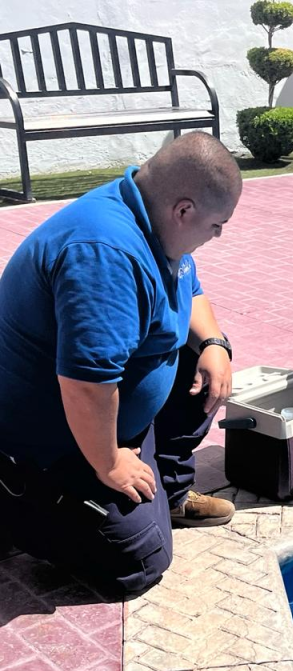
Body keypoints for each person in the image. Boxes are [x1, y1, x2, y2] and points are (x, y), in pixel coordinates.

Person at [0, 131, 242, 596]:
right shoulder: (105, 254)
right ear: (184, 210)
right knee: (141, 560)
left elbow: (189, 288)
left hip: (104, 419)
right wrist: (111, 463)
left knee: (207, 360)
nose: (218, 235)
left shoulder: (152, 214)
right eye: (217, 225)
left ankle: (166, 492)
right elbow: (86, 386)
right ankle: (22, 509)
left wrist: (214, 343)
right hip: (50, 443)